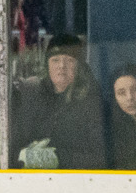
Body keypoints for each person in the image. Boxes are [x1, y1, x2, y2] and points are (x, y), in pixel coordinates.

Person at [16, 34, 106, 170]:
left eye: (69, 60)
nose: (61, 66)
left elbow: (100, 156)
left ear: (79, 65)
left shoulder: (91, 100)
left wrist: (58, 157)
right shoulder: (32, 93)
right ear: (47, 64)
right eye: (55, 60)